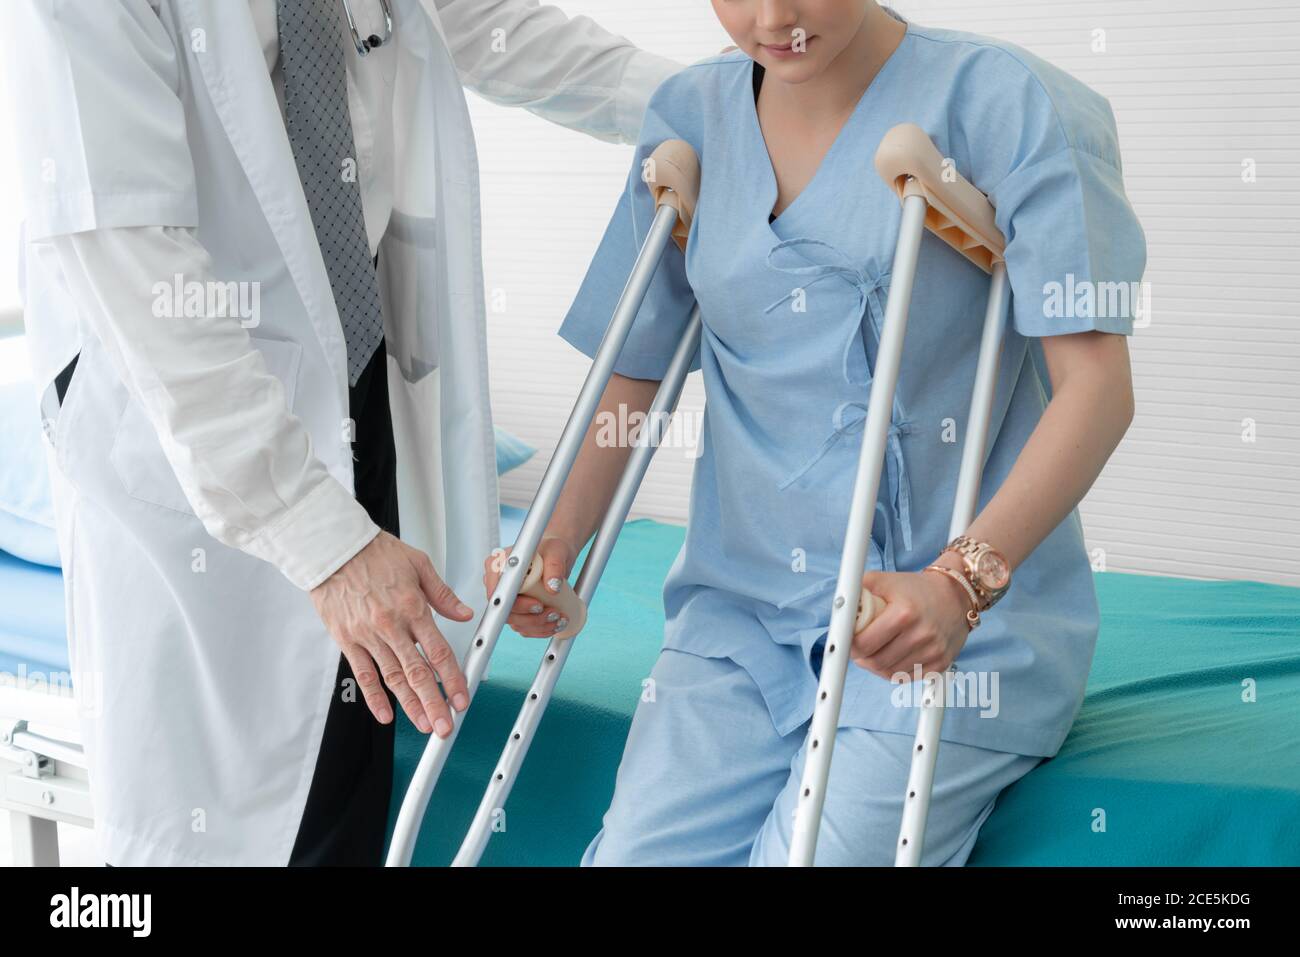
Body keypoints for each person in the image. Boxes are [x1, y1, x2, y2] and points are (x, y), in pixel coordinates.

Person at [5, 0, 681, 866]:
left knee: (350, 785)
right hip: (198, 430)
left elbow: (481, 21)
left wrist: (721, 96)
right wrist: (326, 545)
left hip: (356, 376)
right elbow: (129, 251)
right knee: (227, 821)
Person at [485, 0, 1145, 865]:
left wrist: (960, 583)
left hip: (941, 627)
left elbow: (1096, 390)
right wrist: (552, 545)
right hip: (738, 620)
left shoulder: (1007, 102)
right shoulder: (691, 119)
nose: (774, 16)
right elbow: (632, 370)